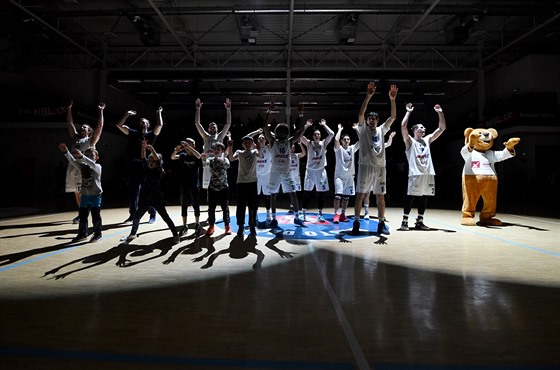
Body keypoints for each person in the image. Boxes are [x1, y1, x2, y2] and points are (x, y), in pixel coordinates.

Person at [352, 82, 398, 235]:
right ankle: (357, 223)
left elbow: (393, 117)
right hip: (365, 166)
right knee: (360, 195)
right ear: (367, 121)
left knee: (380, 196)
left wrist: (392, 100)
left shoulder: (381, 130)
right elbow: (360, 114)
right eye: (369, 118)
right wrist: (368, 96)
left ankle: (380, 223)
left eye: (374, 118)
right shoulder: (363, 129)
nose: (371, 120)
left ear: (377, 120)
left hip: (380, 168)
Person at [398, 103, 446, 230]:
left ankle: (419, 221)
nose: (423, 128)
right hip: (415, 173)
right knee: (411, 196)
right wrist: (408, 112)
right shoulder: (409, 141)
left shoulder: (428, 139)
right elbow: (403, 126)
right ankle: (404, 221)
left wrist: (440, 113)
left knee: (424, 196)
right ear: (414, 130)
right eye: (420, 127)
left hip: (428, 172)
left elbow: (441, 129)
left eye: (424, 127)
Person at [125, 141, 180, 244]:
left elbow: (158, 160)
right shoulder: (146, 168)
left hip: (156, 197)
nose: (149, 161)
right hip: (145, 197)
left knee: (165, 217)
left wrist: (152, 149)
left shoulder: (158, 169)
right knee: (136, 217)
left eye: (152, 160)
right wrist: (143, 147)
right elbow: (142, 158)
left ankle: (175, 235)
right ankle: (132, 234)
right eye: (149, 160)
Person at [116, 106, 164, 224]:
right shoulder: (133, 133)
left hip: (146, 166)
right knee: (133, 192)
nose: (142, 123)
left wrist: (158, 113)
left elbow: (160, 125)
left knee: (148, 190)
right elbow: (119, 125)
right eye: (141, 122)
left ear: (148, 124)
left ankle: (152, 214)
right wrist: (127, 114)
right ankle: (133, 215)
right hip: (133, 165)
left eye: (145, 122)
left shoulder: (150, 135)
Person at [263, 116, 311, 228]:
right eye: (279, 131)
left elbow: (301, 131)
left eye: (284, 131)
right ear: (276, 132)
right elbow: (265, 127)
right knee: (273, 195)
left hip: (286, 172)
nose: (282, 133)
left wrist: (300, 115)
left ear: (287, 133)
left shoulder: (289, 142)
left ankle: (297, 218)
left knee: (293, 194)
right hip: (275, 172)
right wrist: (269, 112)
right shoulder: (272, 141)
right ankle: (274, 219)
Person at [65, 100, 105, 224]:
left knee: (83, 192)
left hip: (84, 168)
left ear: (89, 131)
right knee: (76, 192)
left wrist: (101, 111)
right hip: (72, 166)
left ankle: (84, 214)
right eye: (81, 127)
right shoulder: (76, 138)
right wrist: (69, 109)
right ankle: (81, 213)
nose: (82, 128)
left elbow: (100, 127)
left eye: (85, 127)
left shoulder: (91, 140)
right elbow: (70, 123)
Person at [59, 143, 103, 243]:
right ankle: (82, 233)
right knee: (83, 216)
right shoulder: (82, 167)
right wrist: (66, 152)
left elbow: (90, 163)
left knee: (96, 216)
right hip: (85, 195)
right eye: (87, 155)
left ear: (97, 157)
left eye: (91, 155)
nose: (89, 157)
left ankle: (98, 234)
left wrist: (82, 156)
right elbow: (72, 161)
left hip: (95, 196)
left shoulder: (97, 166)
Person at [300, 118, 335, 222]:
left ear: (320, 136)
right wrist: (306, 126)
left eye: (318, 134)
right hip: (310, 171)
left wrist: (324, 125)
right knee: (307, 193)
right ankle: (303, 213)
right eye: (315, 134)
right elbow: (300, 136)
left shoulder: (324, 143)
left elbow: (332, 134)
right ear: (313, 136)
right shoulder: (309, 143)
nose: (317, 135)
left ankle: (320, 214)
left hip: (320, 171)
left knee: (320, 194)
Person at [227, 135, 262, 237]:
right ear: (242, 144)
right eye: (245, 143)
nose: (247, 144)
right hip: (241, 183)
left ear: (252, 144)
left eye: (249, 143)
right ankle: (241, 226)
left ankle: (252, 226)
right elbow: (231, 158)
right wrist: (230, 147)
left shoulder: (255, 152)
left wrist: (258, 147)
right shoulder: (239, 152)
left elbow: (261, 155)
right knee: (241, 207)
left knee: (252, 207)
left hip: (252, 182)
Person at [194, 97, 232, 191]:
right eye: (210, 127)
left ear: (217, 129)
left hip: (219, 162)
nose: (212, 128)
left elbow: (228, 124)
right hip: (207, 163)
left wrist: (228, 110)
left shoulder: (220, 137)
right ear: (208, 129)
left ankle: (223, 203)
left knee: (221, 185)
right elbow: (197, 123)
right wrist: (198, 109)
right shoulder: (206, 136)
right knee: (209, 188)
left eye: (214, 127)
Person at [170, 138, 203, 236]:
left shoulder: (196, 156)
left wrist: (189, 147)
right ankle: (185, 225)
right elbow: (172, 157)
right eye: (186, 145)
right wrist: (176, 150)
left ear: (193, 146)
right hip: (184, 184)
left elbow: (199, 156)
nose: (186, 147)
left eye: (189, 145)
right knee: (184, 205)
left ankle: (197, 224)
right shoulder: (183, 155)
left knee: (196, 205)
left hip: (194, 184)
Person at [362, 130, 396, 219]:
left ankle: (381, 214)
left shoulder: (381, 145)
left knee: (380, 194)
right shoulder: (368, 145)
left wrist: (390, 137)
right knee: (366, 193)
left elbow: (388, 144)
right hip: (369, 170)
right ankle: (366, 212)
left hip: (379, 171)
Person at [202, 142, 231, 236]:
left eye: (219, 149)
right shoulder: (210, 160)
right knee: (211, 208)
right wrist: (203, 158)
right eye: (215, 149)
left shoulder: (225, 159)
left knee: (225, 208)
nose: (216, 151)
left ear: (222, 151)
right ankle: (211, 226)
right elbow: (204, 164)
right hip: (212, 188)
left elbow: (227, 166)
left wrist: (221, 160)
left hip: (223, 187)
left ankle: (227, 226)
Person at [332, 123, 360, 224]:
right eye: (344, 139)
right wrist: (339, 129)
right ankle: (336, 214)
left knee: (346, 197)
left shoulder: (352, 148)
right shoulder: (338, 149)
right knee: (338, 196)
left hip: (349, 176)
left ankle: (343, 214)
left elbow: (361, 141)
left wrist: (357, 129)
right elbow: (336, 140)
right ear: (342, 141)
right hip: (339, 176)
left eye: (348, 139)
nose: (346, 141)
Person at [288, 141, 306, 215]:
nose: (292, 149)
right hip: (289, 177)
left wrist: (300, 144)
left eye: (293, 148)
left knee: (296, 193)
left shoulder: (297, 155)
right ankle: (292, 206)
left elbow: (304, 153)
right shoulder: (287, 156)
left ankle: (293, 206)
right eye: (291, 148)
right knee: (292, 192)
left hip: (296, 177)